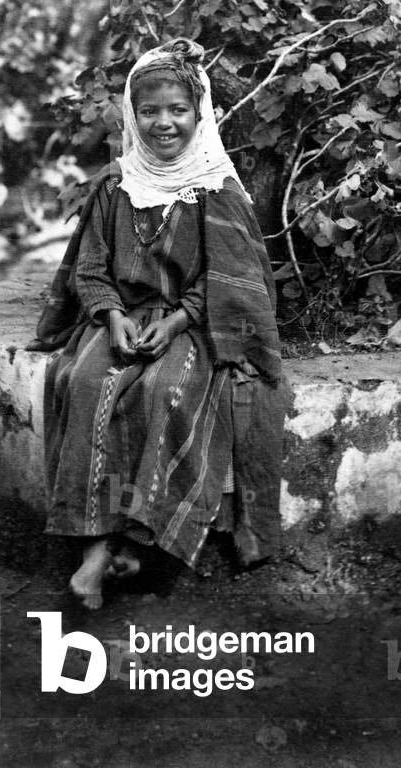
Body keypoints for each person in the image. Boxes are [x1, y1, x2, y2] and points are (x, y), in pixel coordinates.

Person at [29, 38, 286, 609]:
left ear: (200, 113)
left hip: (193, 325)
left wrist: (176, 323)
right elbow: (91, 266)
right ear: (131, 114)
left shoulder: (215, 190)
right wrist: (112, 315)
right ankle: (100, 544)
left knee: (165, 391)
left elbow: (226, 280)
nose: (163, 123)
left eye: (178, 111)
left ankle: (123, 547)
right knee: (84, 382)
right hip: (123, 319)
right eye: (149, 111)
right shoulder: (117, 185)